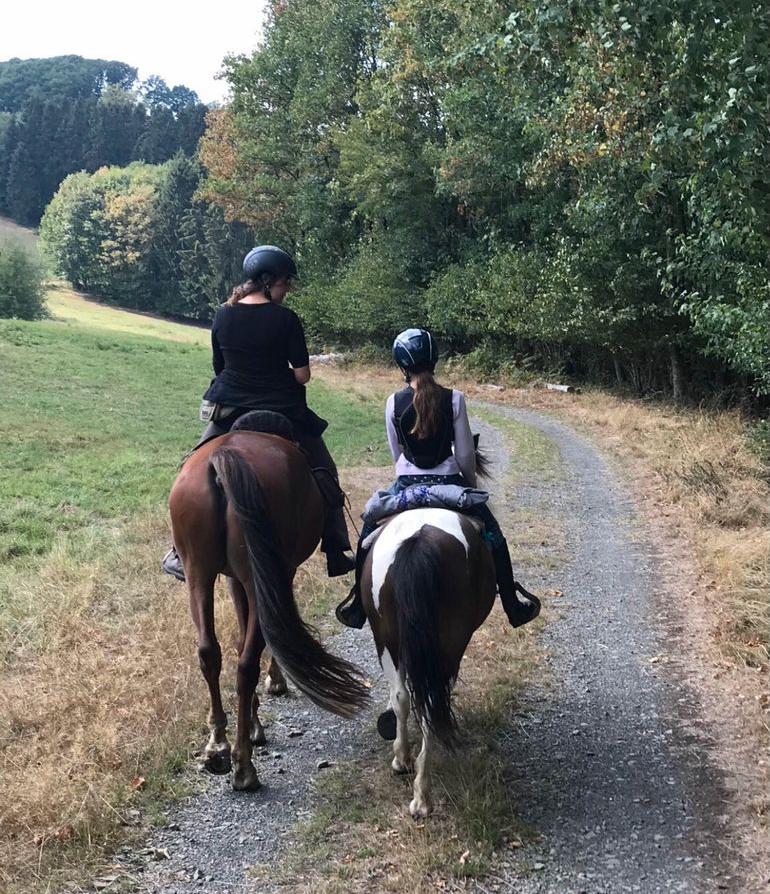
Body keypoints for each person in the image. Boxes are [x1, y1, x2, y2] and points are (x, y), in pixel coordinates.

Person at [162, 245, 355, 581]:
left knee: (190, 466)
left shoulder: (224, 313)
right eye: (284, 285)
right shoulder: (286, 319)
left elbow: (219, 365)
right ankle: (336, 548)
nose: (286, 291)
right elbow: (302, 375)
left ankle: (180, 550)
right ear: (268, 282)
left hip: (230, 407)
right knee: (325, 471)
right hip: (282, 407)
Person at [335, 327, 541, 630]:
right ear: (434, 359)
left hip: (407, 486)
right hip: (449, 484)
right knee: (493, 535)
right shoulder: (454, 399)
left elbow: (398, 455)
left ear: (401, 365)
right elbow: (466, 455)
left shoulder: (393, 402)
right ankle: (512, 604)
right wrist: (467, 484)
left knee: (368, 530)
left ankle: (358, 605)